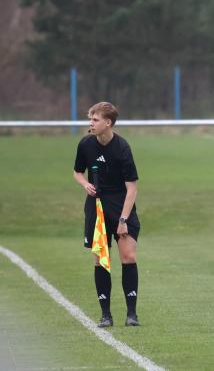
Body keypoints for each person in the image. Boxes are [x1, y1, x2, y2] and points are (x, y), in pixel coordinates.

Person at [73, 102, 141, 328]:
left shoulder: (122, 147)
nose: (90, 123)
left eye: (95, 119)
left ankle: (132, 314)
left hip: (122, 205)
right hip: (96, 207)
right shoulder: (85, 145)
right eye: (90, 119)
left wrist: (123, 220)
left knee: (128, 256)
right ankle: (106, 315)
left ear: (107, 123)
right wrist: (85, 184)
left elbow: (132, 188)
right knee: (101, 260)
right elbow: (77, 172)